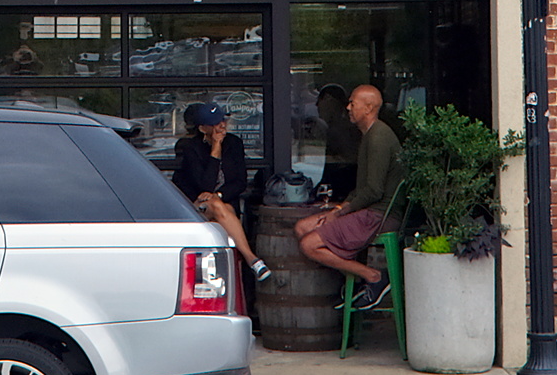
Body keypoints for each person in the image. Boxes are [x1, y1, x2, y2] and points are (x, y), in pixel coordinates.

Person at [291, 84, 400, 305]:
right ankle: (358, 282)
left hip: (379, 215)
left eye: (353, 103)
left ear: (368, 108)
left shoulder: (378, 138)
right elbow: (363, 188)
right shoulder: (369, 135)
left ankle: (374, 277)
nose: (348, 107)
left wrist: (340, 213)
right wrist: (339, 207)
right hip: (368, 210)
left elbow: (373, 190)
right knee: (302, 227)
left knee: (309, 245)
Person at [171, 102, 269, 284]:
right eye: (215, 123)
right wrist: (216, 149)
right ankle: (251, 259)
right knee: (217, 207)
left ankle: (237, 274)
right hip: (197, 206)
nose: (222, 125)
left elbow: (240, 182)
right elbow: (205, 186)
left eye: (223, 120)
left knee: (220, 210)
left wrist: (219, 195)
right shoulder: (191, 148)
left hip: (224, 206)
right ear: (202, 128)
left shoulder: (234, 143)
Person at [312, 84, 359, 202]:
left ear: (329, 100)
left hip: (344, 185)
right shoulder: (332, 128)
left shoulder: (343, 129)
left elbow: (350, 159)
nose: (317, 106)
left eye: (320, 100)